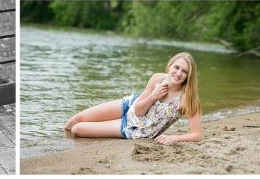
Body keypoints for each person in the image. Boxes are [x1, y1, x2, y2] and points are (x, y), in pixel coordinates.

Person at [65, 52, 202, 143]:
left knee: (77, 129)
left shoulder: (188, 99)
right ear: (169, 66)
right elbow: (138, 110)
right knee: (77, 119)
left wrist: (174, 138)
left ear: (188, 76)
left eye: (184, 71)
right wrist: (154, 96)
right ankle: (60, 142)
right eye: (176, 67)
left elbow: (197, 135)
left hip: (134, 129)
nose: (178, 73)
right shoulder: (157, 78)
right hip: (131, 106)